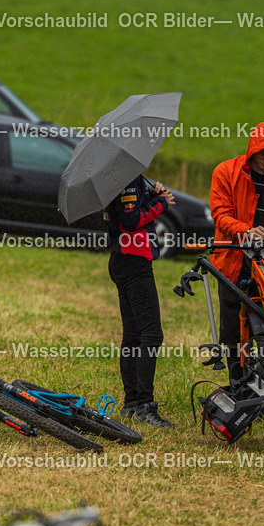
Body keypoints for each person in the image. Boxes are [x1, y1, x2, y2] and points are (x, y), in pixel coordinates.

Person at [209, 122, 264, 385]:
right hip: (232, 263)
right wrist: (247, 231)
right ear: (252, 150)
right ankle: (238, 385)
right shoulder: (226, 171)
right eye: (263, 154)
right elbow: (220, 215)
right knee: (233, 330)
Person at [104, 174, 176, 427]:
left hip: (122, 259)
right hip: (133, 262)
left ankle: (132, 403)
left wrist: (150, 196)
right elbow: (131, 219)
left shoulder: (116, 177)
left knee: (133, 335)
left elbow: (131, 209)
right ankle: (145, 405)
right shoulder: (128, 179)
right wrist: (161, 204)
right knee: (151, 335)